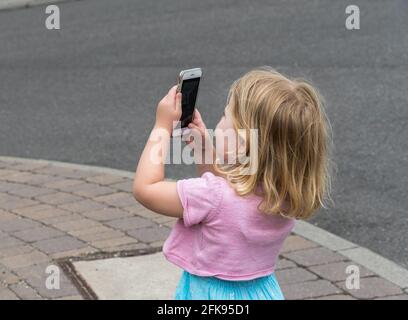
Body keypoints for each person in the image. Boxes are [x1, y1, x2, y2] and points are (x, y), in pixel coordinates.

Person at [133, 67, 332, 300]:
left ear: (242, 143)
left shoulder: (211, 196)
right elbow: (231, 199)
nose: (220, 120)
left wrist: (161, 126)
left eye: (226, 115)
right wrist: (204, 151)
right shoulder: (283, 194)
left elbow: (146, 189)